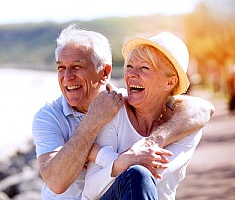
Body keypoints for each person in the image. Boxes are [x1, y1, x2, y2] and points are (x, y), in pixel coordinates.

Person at [32, 24, 215, 199]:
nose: (67, 77)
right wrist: (92, 123)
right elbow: (57, 182)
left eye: (77, 67)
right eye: (60, 68)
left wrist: (150, 143)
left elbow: (203, 108)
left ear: (105, 73)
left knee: (138, 174)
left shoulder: (120, 106)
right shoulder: (49, 117)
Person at [82, 32, 211, 200]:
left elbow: (152, 173)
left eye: (144, 68)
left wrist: (103, 156)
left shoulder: (186, 125)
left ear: (170, 82)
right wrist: (123, 161)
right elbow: (91, 191)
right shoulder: (114, 110)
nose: (131, 74)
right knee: (137, 174)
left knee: (139, 175)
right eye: (129, 66)